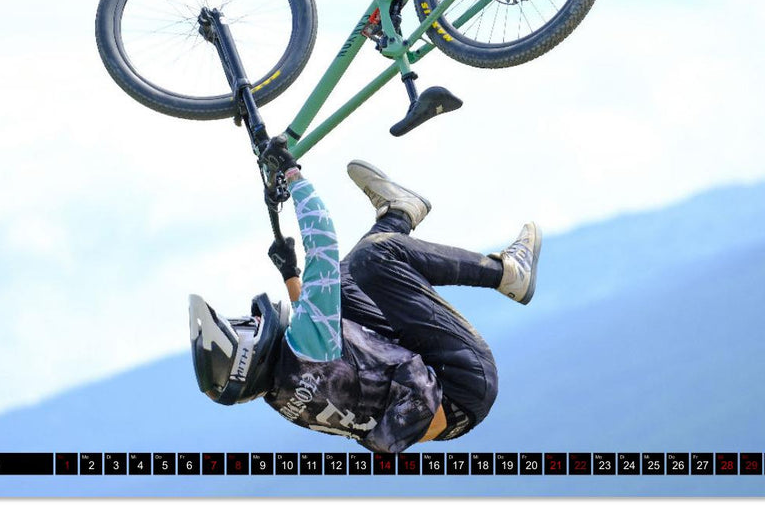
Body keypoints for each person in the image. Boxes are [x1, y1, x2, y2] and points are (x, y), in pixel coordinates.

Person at [189, 150, 541, 453]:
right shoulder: (304, 345)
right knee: (374, 258)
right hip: (460, 377)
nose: (252, 320)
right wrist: (292, 174)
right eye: (244, 325)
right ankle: (507, 273)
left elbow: (324, 343)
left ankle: (399, 213)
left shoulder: (282, 393)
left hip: (450, 405)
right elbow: (322, 239)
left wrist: (290, 273)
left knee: (341, 284)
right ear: (247, 350)